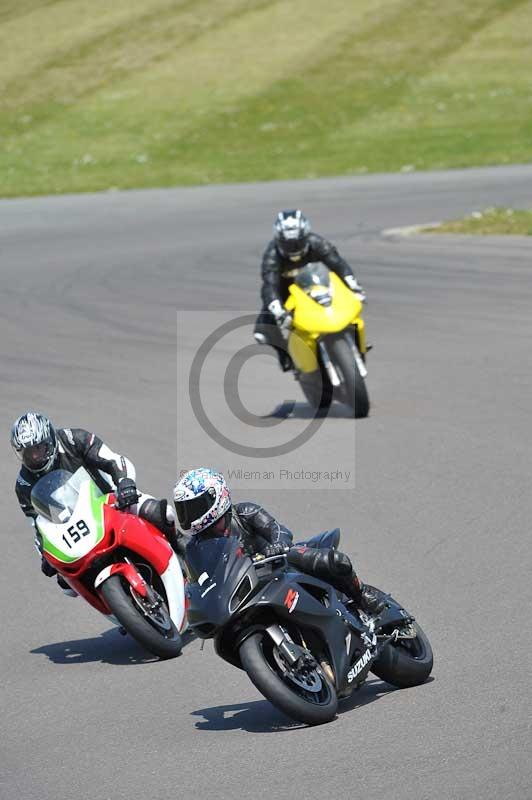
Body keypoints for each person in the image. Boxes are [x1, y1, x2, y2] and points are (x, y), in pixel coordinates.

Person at [11, 411, 181, 595]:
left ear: (50, 440)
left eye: (39, 449)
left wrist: (125, 483)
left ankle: (182, 547)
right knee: (68, 585)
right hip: (73, 527)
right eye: (28, 453)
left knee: (162, 514)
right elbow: (38, 524)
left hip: (111, 501)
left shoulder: (74, 439)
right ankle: (118, 609)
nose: (35, 457)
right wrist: (45, 555)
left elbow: (113, 460)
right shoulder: (24, 484)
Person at [173, 467, 384, 615]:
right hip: (249, 593)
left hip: (282, 566)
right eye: (183, 509)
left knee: (333, 561)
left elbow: (279, 530)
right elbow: (198, 578)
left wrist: (278, 545)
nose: (188, 515)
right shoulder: (198, 546)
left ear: (215, 496)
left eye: (193, 507)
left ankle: (363, 595)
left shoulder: (244, 513)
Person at [254, 209, 366, 371]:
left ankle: (353, 336)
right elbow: (270, 284)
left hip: (318, 282)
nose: (293, 248)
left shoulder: (318, 243)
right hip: (287, 289)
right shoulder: (272, 255)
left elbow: (339, 265)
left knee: (351, 295)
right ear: (278, 240)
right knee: (264, 327)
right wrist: (276, 308)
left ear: (306, 236)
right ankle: (285, 355)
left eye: (298, 242)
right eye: (287, 244)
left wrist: (353, 285)